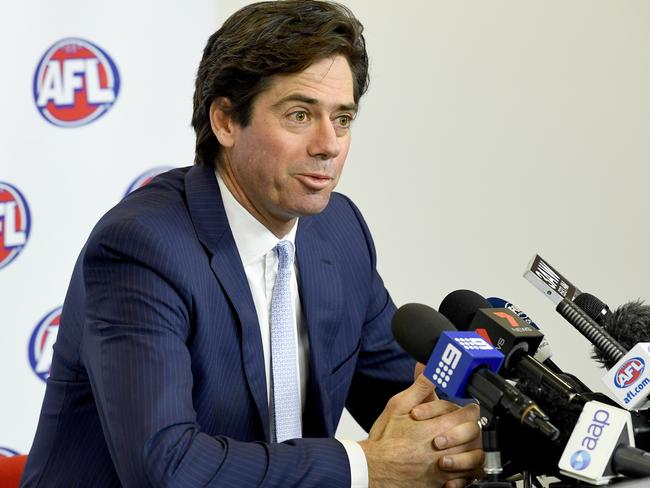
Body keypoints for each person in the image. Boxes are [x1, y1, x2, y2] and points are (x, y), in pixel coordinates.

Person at [21, 1, 483, 487]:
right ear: (225, 121)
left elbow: (405, 403)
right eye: (300, 114)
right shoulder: (142, 248)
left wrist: (457, 438)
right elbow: (165, 468)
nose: (329, 144)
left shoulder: (339, 231)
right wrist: (365, 466)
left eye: (343, 119)